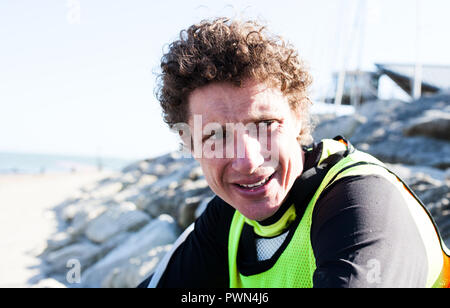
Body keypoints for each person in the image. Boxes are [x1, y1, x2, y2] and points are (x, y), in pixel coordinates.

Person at [138, 17, 450, 288]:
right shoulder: (229, 218)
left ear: (298, 119)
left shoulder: (362, 201)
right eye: (217, 136)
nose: (248, 160)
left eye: (265, 124)